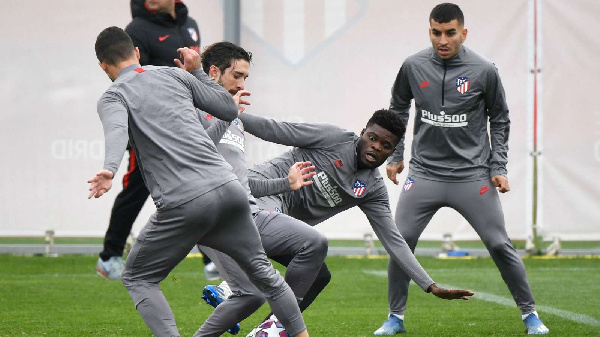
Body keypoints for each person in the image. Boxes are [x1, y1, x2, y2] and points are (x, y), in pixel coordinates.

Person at [89, 27, 309, 337]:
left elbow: (116, 133)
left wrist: (110, 169)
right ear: (137, 53)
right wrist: (199, 74)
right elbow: (229, 109)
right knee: (265, 280)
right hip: (230, 190)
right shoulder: (172, 75)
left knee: (138, 277)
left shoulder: (114, 95)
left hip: (186, 201)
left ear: (102, 65)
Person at [202, 109, 475, 335]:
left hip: (280, 224)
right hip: (260, 193)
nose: (376, 147)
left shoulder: (372, 189)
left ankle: (269, 330)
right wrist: (229, 112)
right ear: (363, 133)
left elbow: (394, 241)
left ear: (391, 152)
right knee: (286, 241)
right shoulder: (333, 138)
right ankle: (230, 290)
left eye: (386, 146)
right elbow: (277, 129)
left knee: (319, 275)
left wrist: (430, 285)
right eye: (372, 138)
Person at [377, 3, 549, 335]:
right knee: (402, 241)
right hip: (424, 174)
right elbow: (397, 108)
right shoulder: (412, 66)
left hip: (473, 176)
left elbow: (500, 119)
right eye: (436, 32)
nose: (442, 40)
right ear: (429, 31)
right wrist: (395, 155)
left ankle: (530, 315)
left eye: (450, 33)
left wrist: (498, 165)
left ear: (463, 33)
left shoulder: (484, 70)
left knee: (499, 244)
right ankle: (395, 317)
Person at [185, 41, 325, 336]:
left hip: (247, 215)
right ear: (213, 73)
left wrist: (284, 184)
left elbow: (241, 181)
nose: (242, 83)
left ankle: (274, 328)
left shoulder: (234, 117)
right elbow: (196, 156)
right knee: (250, 294)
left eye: (246, 77)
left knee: (313, 243)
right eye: (237, 75)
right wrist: (227, 116)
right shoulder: (192, 108)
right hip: (214, 219)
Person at [95, 0, 220, 281]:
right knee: (136, 189)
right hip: (149, 129)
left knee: (198, 185)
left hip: (185, 124)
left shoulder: (190, 26)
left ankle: (214, 258)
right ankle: (110, 256)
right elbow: (126, 79)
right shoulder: (137, 29)